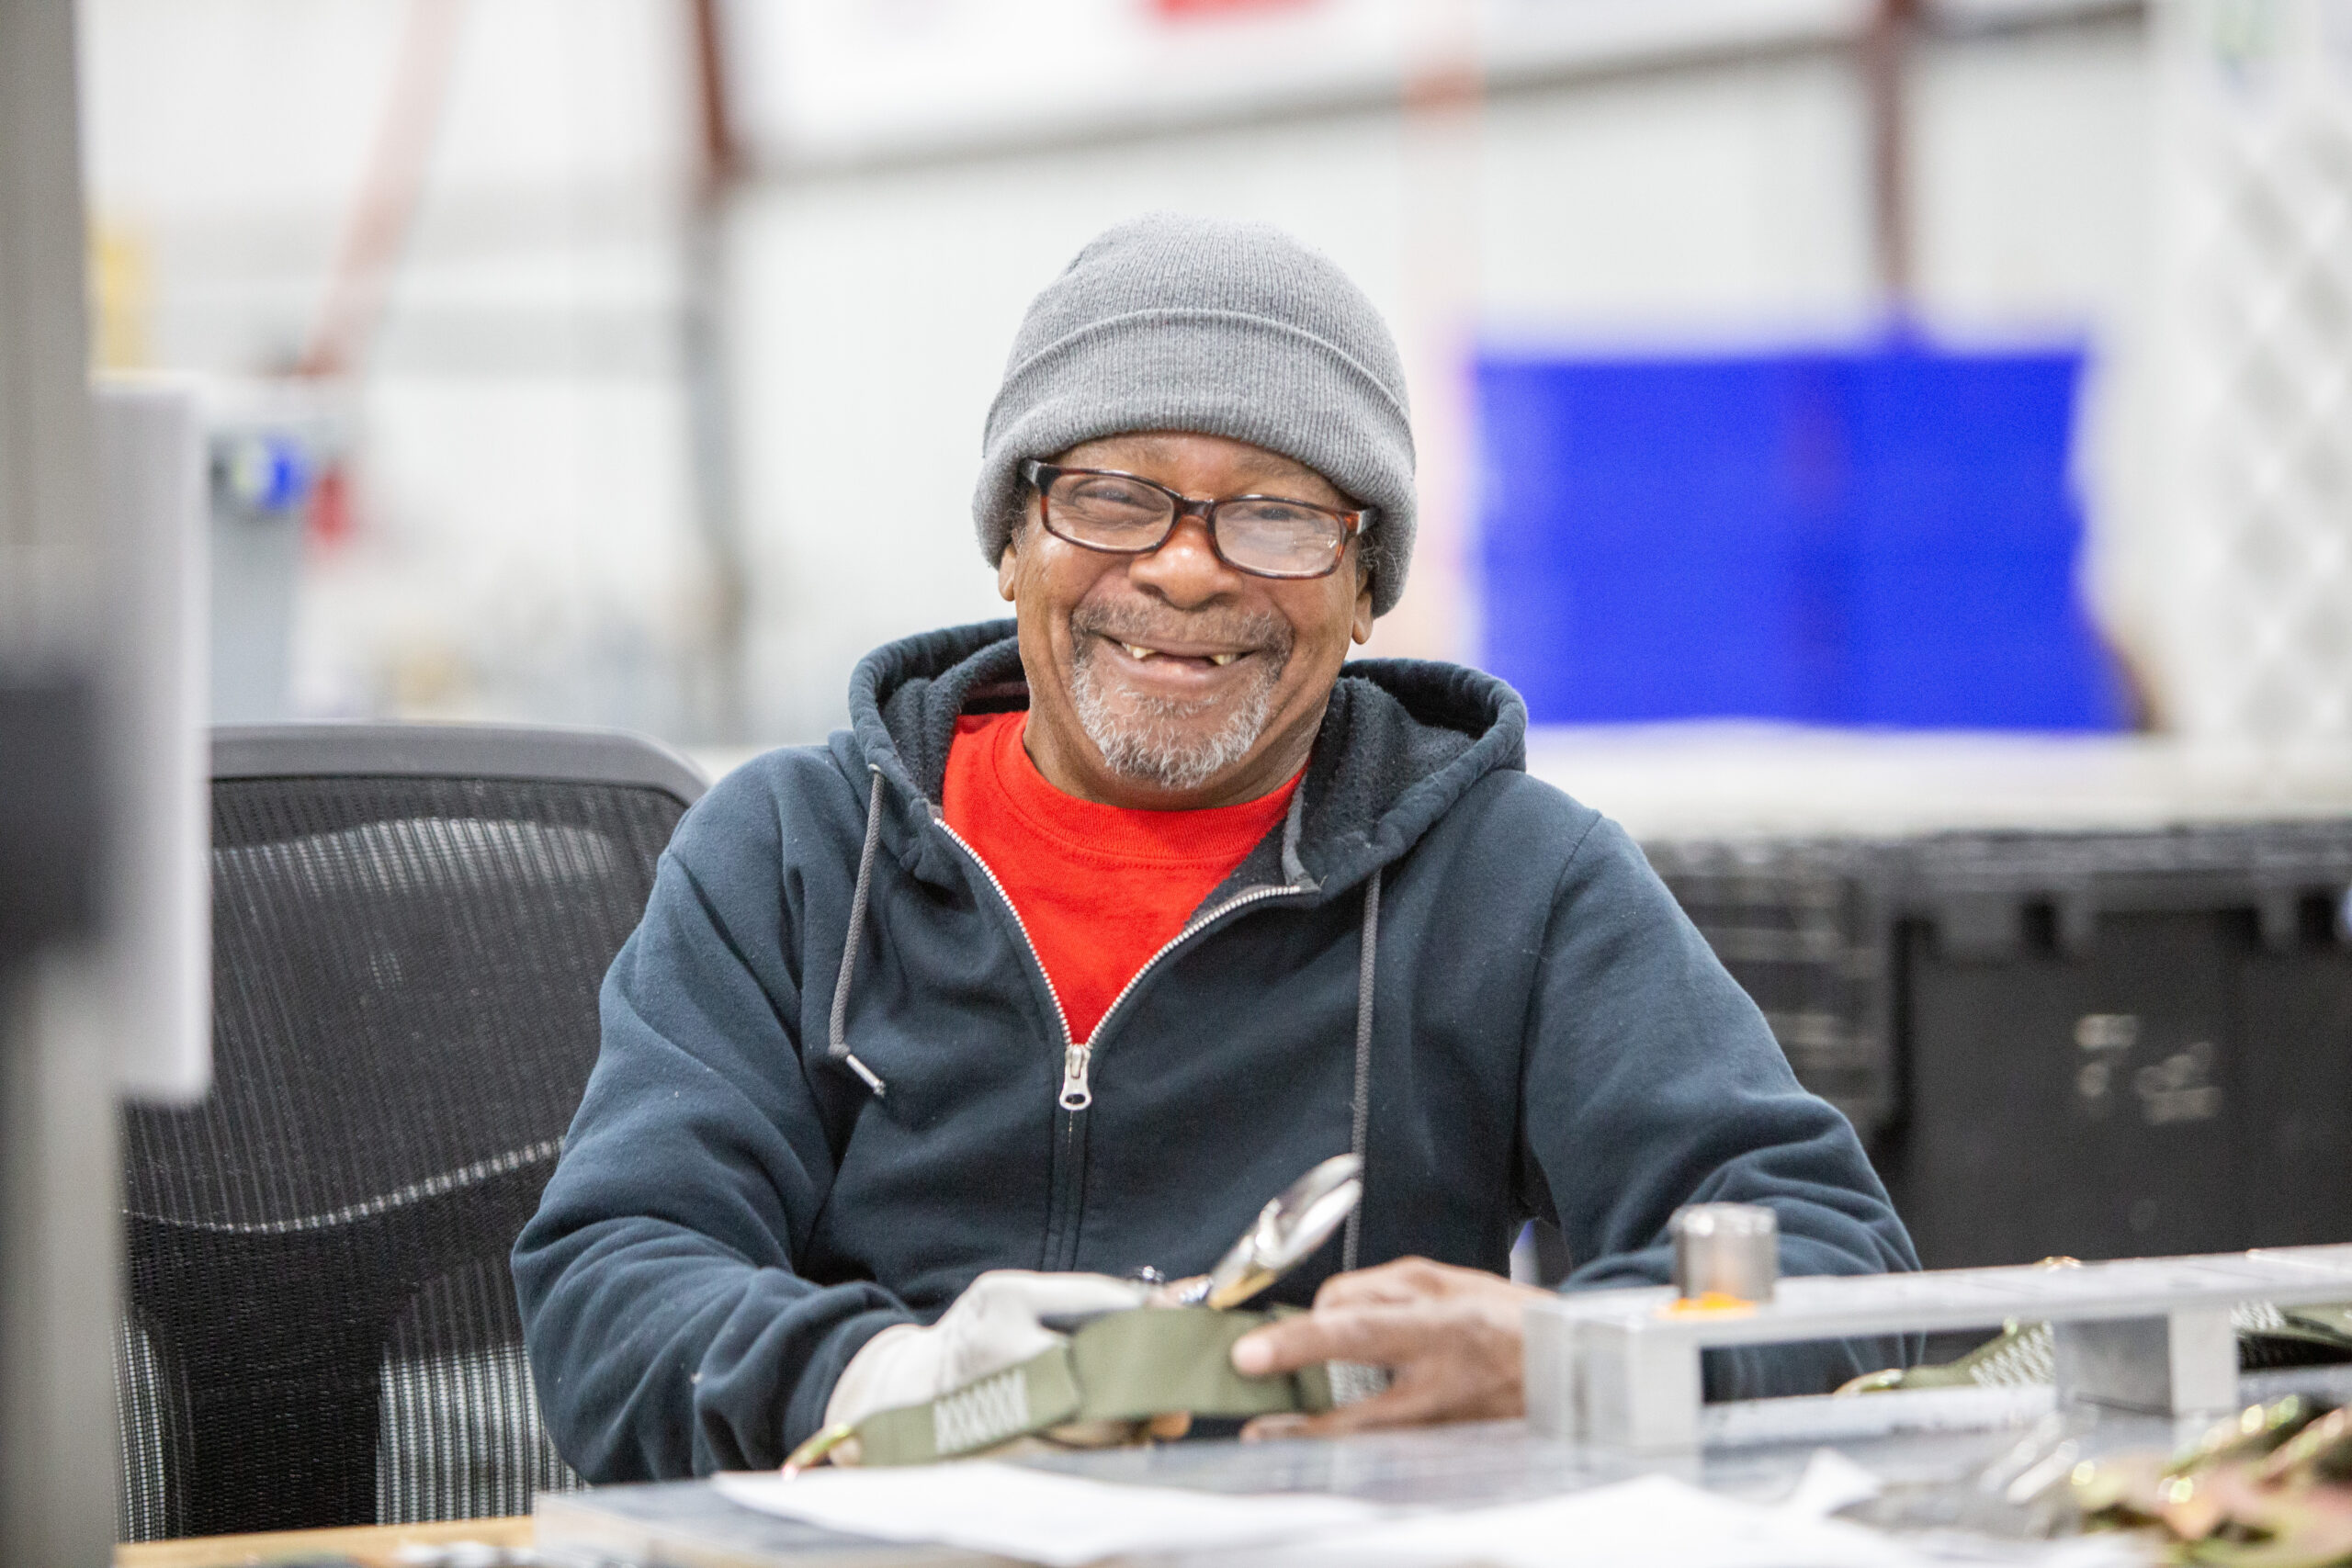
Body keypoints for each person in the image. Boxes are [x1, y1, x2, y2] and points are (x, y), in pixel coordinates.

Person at [514, 213, 1917, 1481]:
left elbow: (1825, 1251)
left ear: (1366, 589)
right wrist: (906, 1386)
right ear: (1012, 541)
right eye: (1114, 497)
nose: (1186, 566)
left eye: (1277, 516)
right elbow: (619, 1279)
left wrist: (1567, 1360)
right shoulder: (794, 855)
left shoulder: (1517, 883)